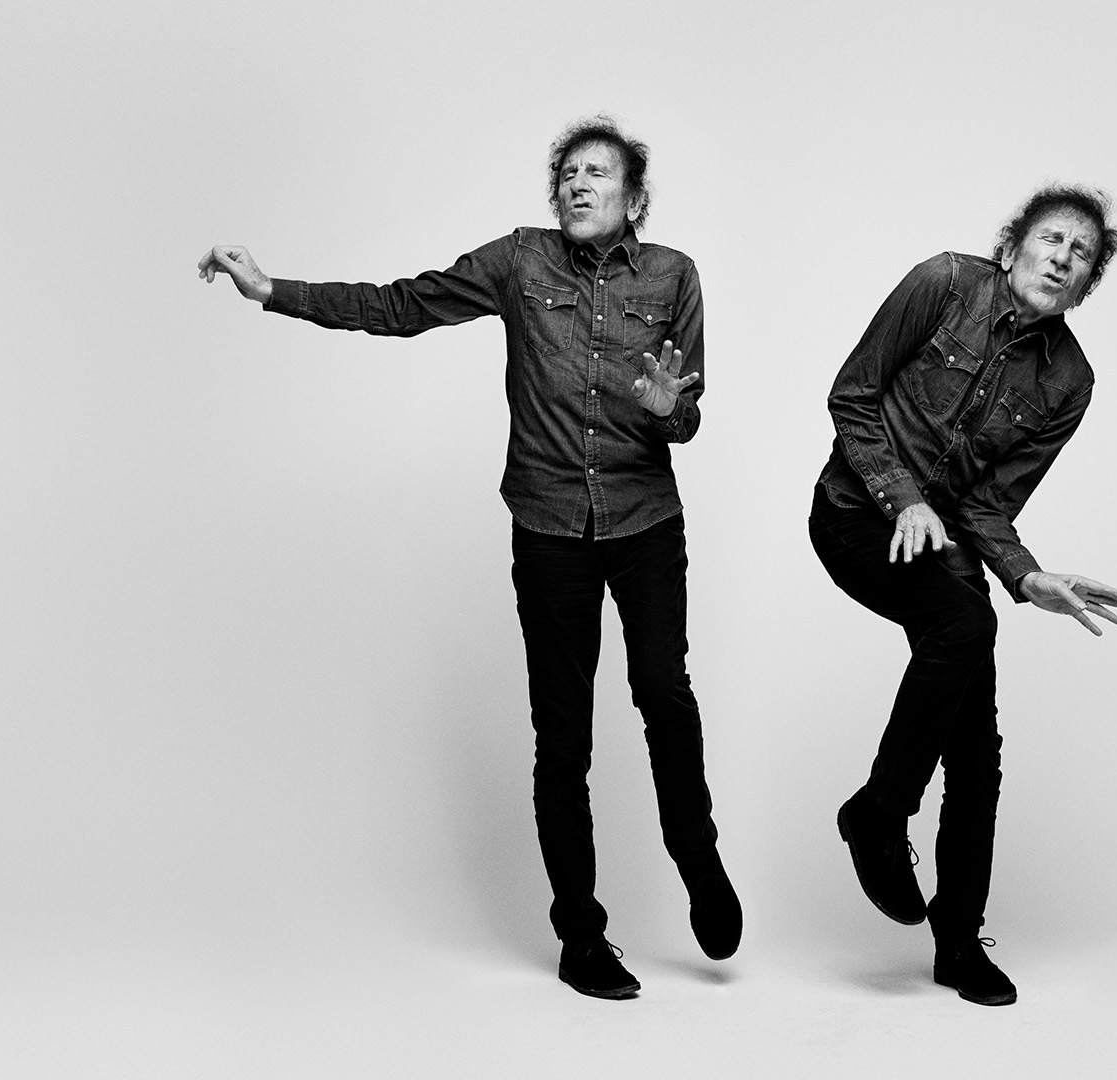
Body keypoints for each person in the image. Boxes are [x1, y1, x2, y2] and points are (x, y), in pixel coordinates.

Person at [196, 117, 738, 1000]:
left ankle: (699, 863)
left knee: (664, 695)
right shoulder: (521, 261)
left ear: (634, 197)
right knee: (562, 735)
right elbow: (403, 306)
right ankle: (581, 936)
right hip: (549, 527)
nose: (577, 184)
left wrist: (666, 410)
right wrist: (271, 290)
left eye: (597, 173)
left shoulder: (675, 275)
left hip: (645, 521)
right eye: (567, 172)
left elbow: (687, 414)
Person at [810, 185, 1117, 1006]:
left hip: (945, 542)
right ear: (1014, 245)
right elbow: (852, 395)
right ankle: (880, 813)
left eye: (1082, 254)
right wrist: (903, 499)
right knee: (963, 622)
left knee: (977, 746)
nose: (1063, 258)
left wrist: (1028, 575)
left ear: (1087, 283)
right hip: (853, 512)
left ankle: (957, 942)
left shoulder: (1070, 379)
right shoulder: (944, 282)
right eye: (1052, 239)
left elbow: (989, 503)